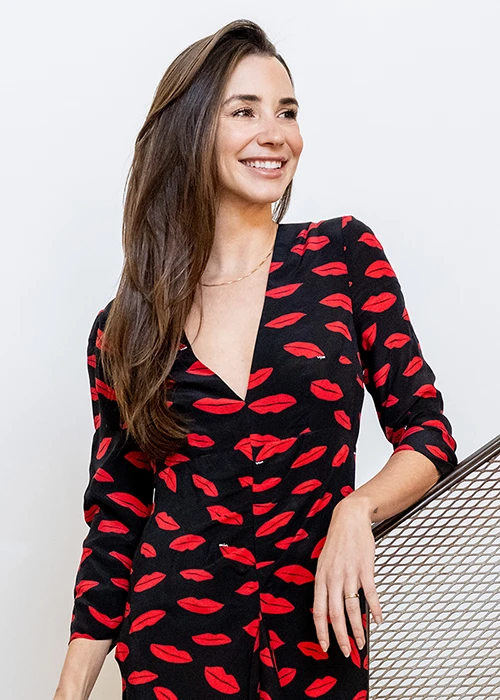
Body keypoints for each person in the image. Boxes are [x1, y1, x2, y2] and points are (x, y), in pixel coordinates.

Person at [54, 18, 458, 700]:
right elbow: (118, 517)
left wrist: (355, 511)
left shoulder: (345, 258)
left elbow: (428, 433)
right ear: (191, 130)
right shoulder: (126, 327)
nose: (276, 133)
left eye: (288, 112)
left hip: (321, 644)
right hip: (173, 652)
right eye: (244, 111)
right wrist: (69, 691)